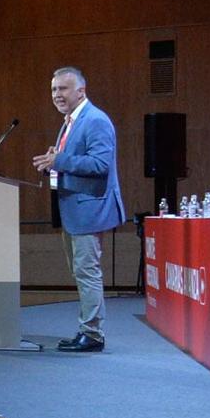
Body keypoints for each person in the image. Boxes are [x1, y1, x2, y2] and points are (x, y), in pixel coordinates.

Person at [32, 64, 124, 352]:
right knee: (81, 272)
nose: (56, 95)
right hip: (73, 210)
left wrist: (59, 161)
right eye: (53, 90)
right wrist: (53, 165)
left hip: (89, 210)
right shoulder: (71, 120)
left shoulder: (95, 120)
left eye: (62, 88)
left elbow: (100, 165)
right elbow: (72, 161)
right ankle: (87, 329)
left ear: (81, 90)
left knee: (87, 272)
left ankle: (93, 335)